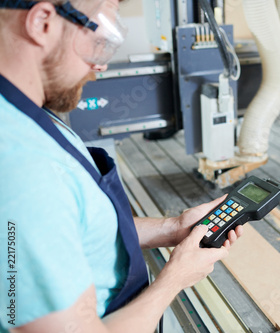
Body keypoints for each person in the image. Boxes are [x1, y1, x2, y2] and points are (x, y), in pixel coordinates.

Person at [0, 0, 243, 332]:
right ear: (43, 22)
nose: (100, 67)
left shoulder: (21, 116)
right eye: (100, 42)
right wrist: (175, 278)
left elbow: (77, 225)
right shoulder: (25, 172)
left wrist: (170, 229)